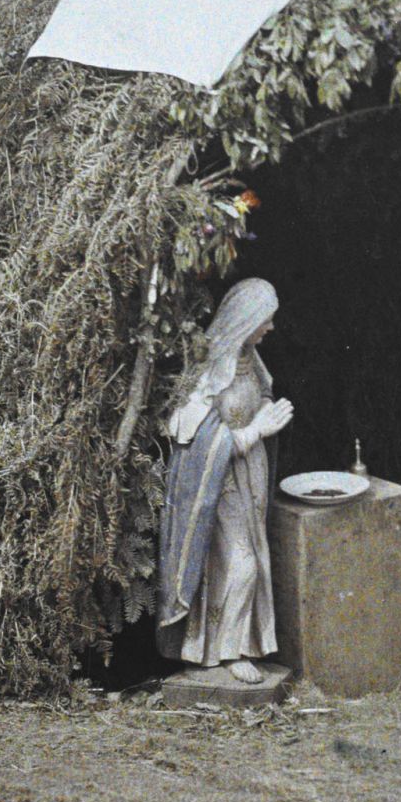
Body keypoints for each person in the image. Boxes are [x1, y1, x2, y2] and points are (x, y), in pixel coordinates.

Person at [156, 277, 295, 682]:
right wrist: (256, 432)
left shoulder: (250, 356)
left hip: (249, 476)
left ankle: (215, 649)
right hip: (216, 483)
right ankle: (232, 653)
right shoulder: (209, 367)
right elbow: (196, 438)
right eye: (265, 320)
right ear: (246, 318)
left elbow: (262, 393)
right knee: (242, 563)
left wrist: (269, 411)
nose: (270, 328)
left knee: (242, 559)